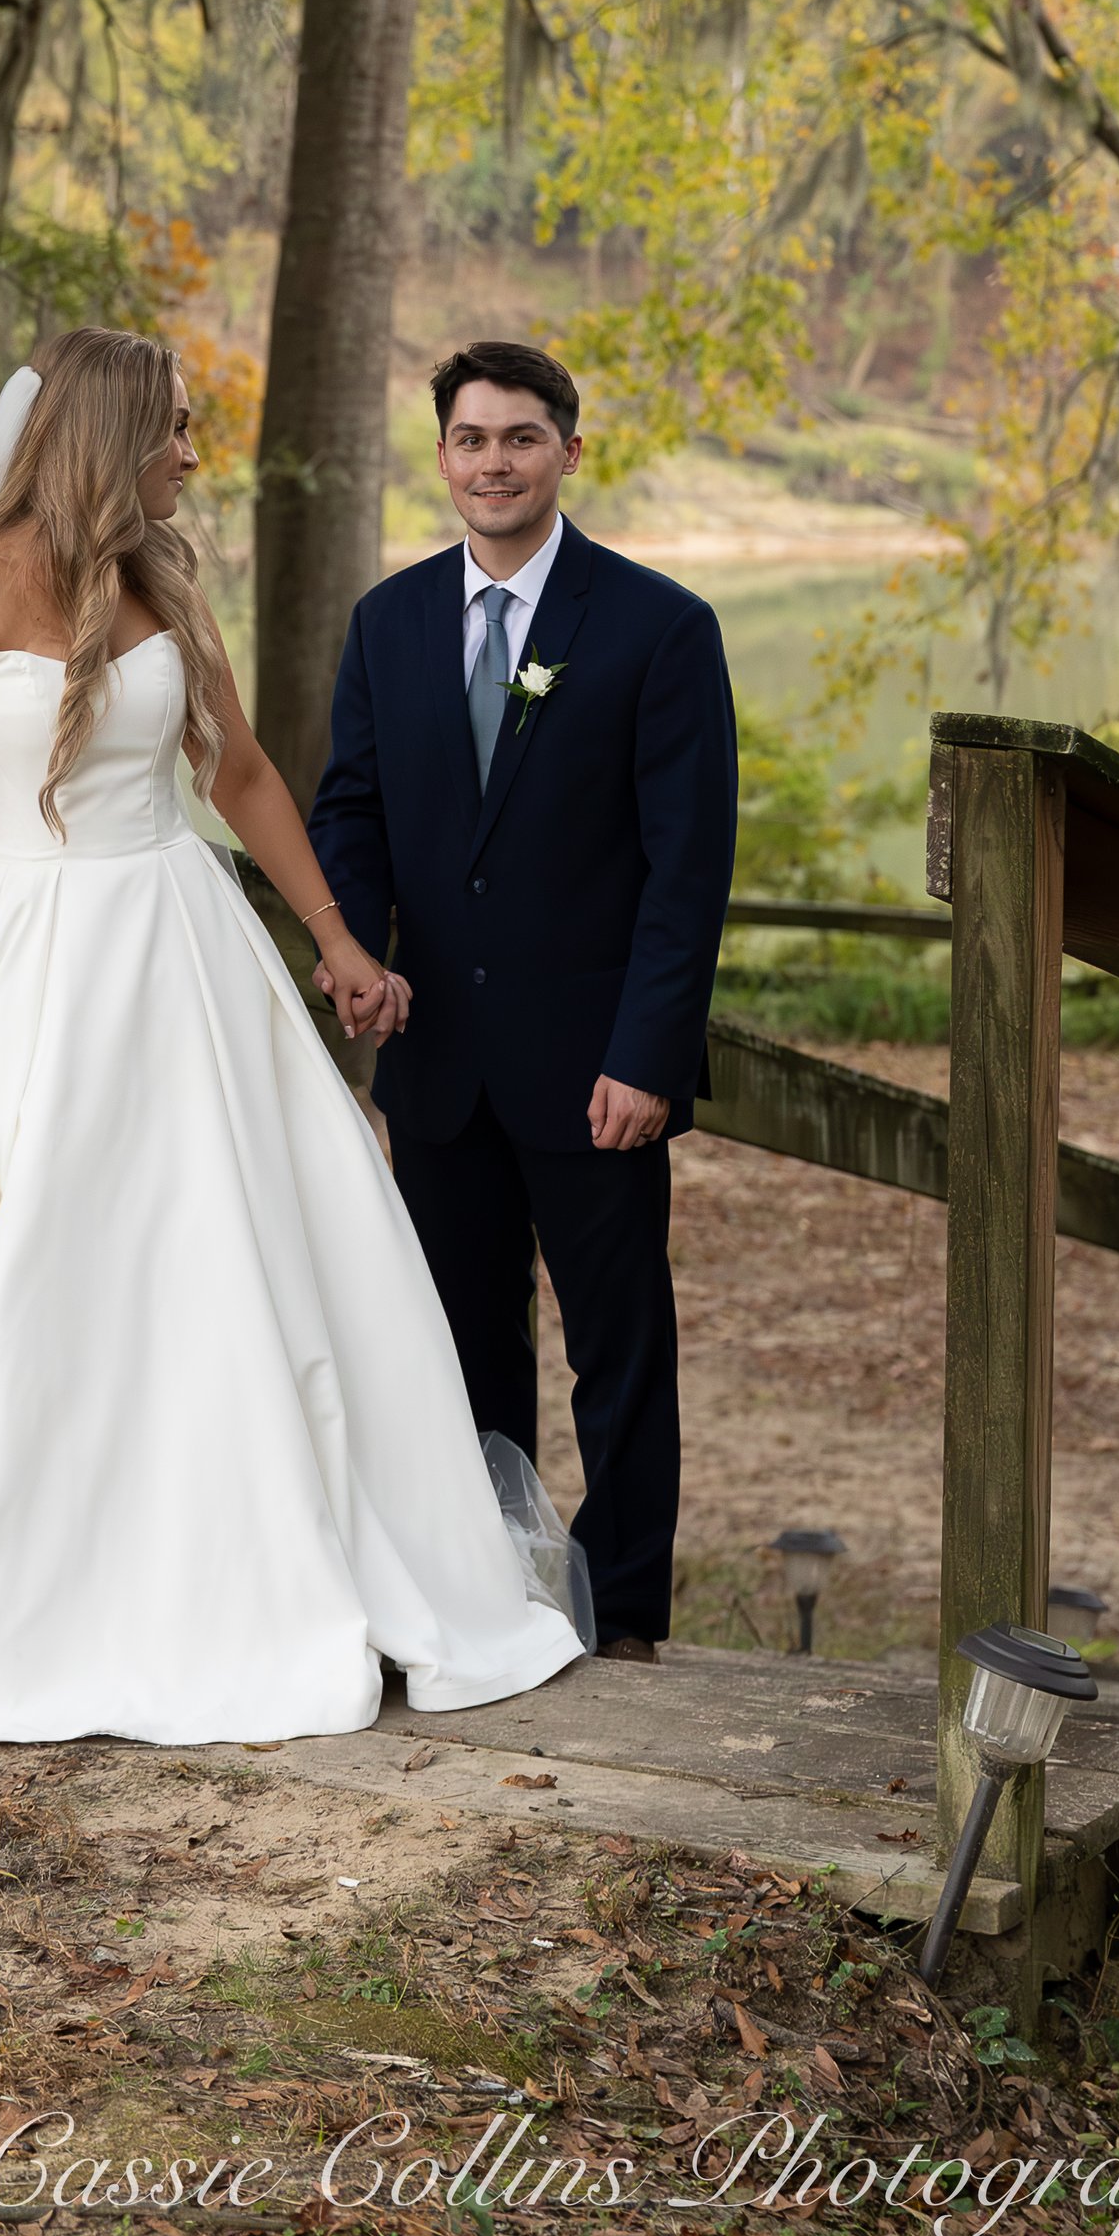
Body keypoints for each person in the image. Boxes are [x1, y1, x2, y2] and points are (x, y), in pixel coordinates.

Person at [0, 328, 583, 1754]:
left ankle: (262, 1570)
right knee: (19, 1263)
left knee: (226, 1249)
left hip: (181, 951)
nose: (190, 451)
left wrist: (339, 938)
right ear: (108, 433)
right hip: (25, 961)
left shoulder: (165, 583)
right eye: (173, 427)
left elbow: (236, 771)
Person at [307, 340, 737, 1662]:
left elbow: (687, 862)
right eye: (471, 439)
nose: (494, 461)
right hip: (439, 1065)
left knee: (617, 1357)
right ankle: (489, 1598)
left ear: (569, 450)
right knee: (457, 1351)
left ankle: (627, 1628)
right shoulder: (387, 622)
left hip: (596, 1068)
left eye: (521, 437)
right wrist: (354, 949)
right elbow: (352, 809)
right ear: (442, 456)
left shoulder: (658, 626)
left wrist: (648, 1053)